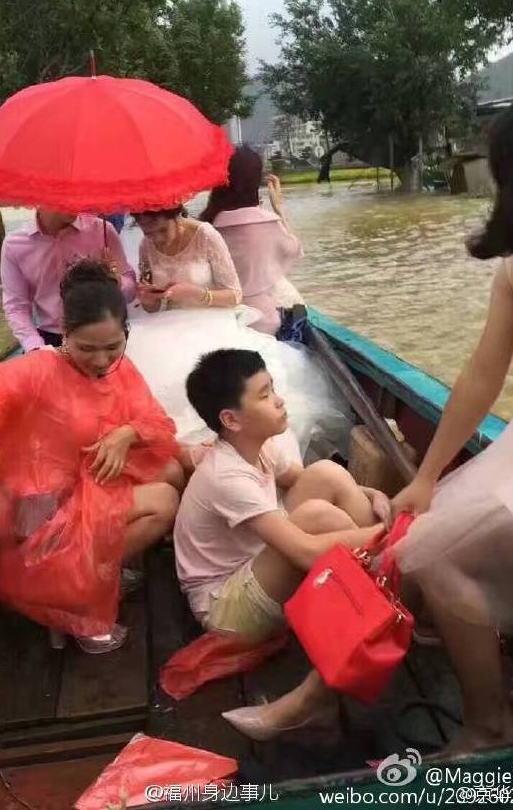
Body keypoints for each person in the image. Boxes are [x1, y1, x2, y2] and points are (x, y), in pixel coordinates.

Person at [0, 260, 181, 654]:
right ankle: (73, 591)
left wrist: (128, 433)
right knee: (165, 500)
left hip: (82, 487)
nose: (101, 361)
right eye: (86, 348)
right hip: (37, 511)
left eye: (112, 347)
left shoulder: (118, 368)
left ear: (125, 334)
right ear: (64, 334)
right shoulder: (34, 371)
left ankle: (91, 573)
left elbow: (156, 421)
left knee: (171, 467)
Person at [391, 89, 513, 753]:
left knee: (441, 551)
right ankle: (494, 719)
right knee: (427, 541)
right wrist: (427, 476)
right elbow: (483, 375)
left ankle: (496, 719)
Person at [174, 348, 385, 739]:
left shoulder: (257, 447)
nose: (280, 400)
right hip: (224, 608)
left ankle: (381, 581)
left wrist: (370, 494)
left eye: (273, 388)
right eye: (265, 394)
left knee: (327, 473)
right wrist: (387, 534)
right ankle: (380, 579)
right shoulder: (227, 476)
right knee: (318, 521)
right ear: (231, 420)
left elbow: (308, 478)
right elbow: (303, 550)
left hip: (251, 566)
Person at [128, 209, 352, 454]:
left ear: (174, 215)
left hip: (211, 321)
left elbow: (234, 295)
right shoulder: (145, 245)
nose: (157, 239)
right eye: (146, 230)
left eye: (161, 230)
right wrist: (149, 300)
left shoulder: (205, 235)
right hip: (164, 326)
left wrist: (196, 294)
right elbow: (153, 301)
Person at [200, 146, 304, 335]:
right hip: (263, 323)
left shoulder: (205, 225)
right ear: (255, 181)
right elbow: (294, 249)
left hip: (217, 320)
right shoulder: (268, 223)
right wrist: (279, 209)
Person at [0, 210, 136, 351]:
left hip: (101, 337)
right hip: (49, 338)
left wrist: (117, 281)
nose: (75, 204)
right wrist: (35, 346)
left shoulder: (102, 231)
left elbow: (131, 293)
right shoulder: (15, 245)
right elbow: (16, 306)